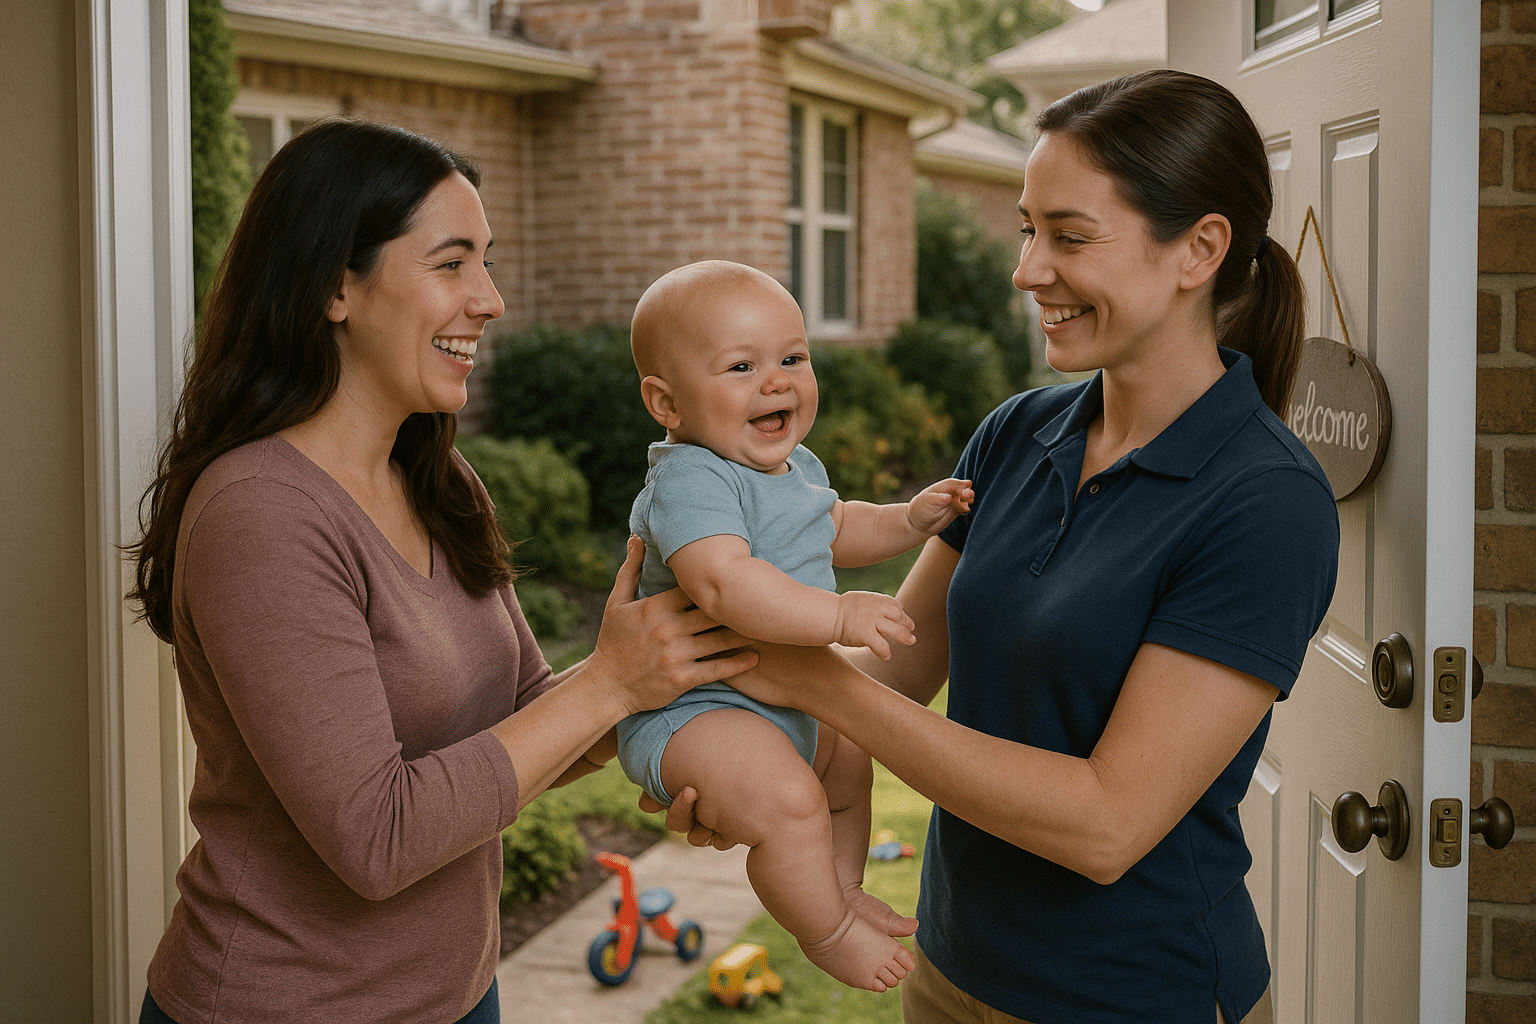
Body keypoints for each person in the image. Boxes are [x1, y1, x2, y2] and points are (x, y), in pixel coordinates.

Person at [663, 71, 1340, 1024]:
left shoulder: (1267, 504)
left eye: (1068, 236)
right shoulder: (1019, 434)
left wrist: (816, 684)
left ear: (1200, 248)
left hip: (1135, 996)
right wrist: (743, 753)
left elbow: (1108, 824)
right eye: (1028, 229)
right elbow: (892, 671)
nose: (1026, 270)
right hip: (949, 970)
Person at [124, 119, 756, 1024]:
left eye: (486, 263)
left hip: (457, 996)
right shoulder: (259, 514)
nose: (491, 299)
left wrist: (687, 712)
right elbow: (376, 840)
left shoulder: (434, 475)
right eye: (452, 264)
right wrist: (613, 684)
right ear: (336, 284)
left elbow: (528, 722)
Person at [616, 260, 974, 992]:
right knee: (789, 802)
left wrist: (907, 519)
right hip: (697, 709)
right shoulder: (690, 480)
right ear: (667, 401)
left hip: (780, 701)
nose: (776, 381)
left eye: (792, 358)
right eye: (741, 366)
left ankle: (839, 887)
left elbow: (837, 526)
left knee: (847, 766)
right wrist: (839, 615)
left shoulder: (795, 467)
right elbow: (725, 584)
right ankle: (826, 929)